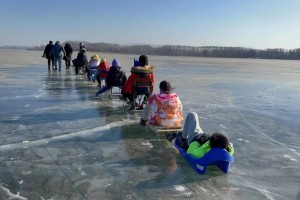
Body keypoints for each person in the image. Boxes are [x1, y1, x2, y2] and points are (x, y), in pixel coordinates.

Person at [166, 112, 234, 158]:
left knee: (192, 115)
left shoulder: (202, 148)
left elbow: (191, 153)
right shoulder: (227, 150)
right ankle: (182, 133)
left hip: (195, 138)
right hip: (202, 136)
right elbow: (230, 147)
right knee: (195, 126)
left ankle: (182, 136)